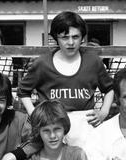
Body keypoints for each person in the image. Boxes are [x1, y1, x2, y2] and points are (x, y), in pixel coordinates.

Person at [17, 11, 114, 149]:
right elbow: (23, 91)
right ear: (56, 37)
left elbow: (109, 88)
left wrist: (103, 112)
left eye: (75, 37)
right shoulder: (42, 63)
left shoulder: (93, 61)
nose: (70, 42)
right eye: (64, 37)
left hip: (85, 126)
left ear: (82, 37)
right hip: (52, 126)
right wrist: (35, 115)